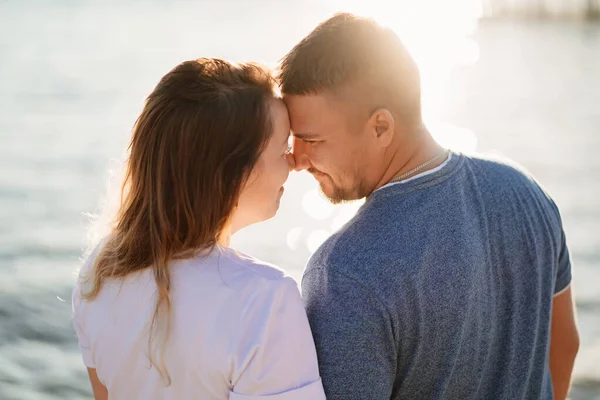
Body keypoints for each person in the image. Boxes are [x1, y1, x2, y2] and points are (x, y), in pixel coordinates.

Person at [279, 13, 579, 400]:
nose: (298, 159)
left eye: (312, 140)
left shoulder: (346, 273)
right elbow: (565, 344)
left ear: (381, 127)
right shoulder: (527, 194)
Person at [72, 58, 325, 400]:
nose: (294, 163)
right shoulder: (263, 301)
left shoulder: (99, 274)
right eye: (282, 149)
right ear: (234, 174)